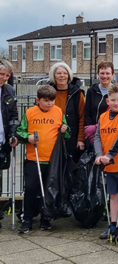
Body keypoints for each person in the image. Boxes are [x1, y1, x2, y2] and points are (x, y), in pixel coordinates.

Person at [16, 85, 70, 233]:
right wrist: (29, 138)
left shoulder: (58, 111)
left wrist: (65, 129)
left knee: (49, 190)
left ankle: (46, 218)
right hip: (34, 159)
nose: (50, 104)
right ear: (37, 100)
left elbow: (66, 133)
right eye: (46, 101)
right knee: (32, 189)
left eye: (52, 101)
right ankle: (27, 219)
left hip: (53, 160)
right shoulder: (29, 113)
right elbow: (19, 132)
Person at [95, 84, 118, 241]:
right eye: (113, 100)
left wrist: (110, 155)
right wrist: (99, 155)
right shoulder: (102, 117)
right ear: (107, 101)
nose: (116, 103)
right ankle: (113, 224)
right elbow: (97, 136)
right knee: (113, 195)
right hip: (108, 165)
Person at [49, 62, 85, 162]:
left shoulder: (77, 93)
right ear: (54, 76)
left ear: (69, 75)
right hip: (51, 137)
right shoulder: (47, 92)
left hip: (72, 138)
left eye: (65, 73)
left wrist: (81, 139)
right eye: (59, 73)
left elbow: (83, 117)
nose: (62, 76)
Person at [0, 59, 19, 229]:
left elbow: (13, 116)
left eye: (7, 75)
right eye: (1, 74)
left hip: (2, 140)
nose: (4, 78)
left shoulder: (9, 90)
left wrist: (13, 134)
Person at [84, 61, 114, 149]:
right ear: (98, 74)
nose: (105, 76)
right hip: (92, 133)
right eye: (102, 73)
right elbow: (87, 112)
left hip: (110, 133)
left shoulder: (117, 91)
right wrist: (90, 129)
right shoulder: (91, 90)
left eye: (107, 73)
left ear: (112, 74)